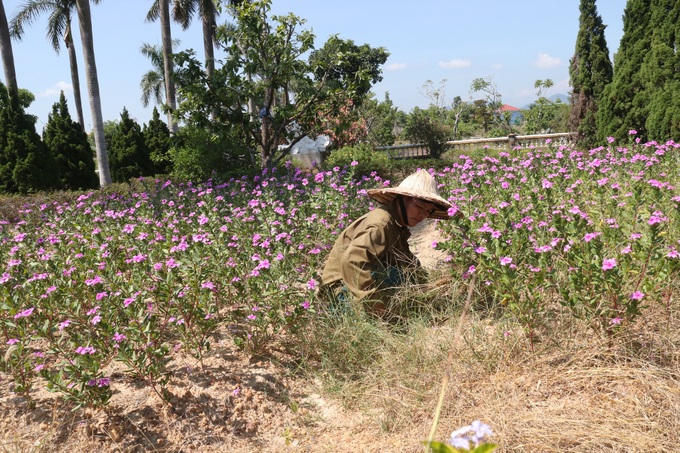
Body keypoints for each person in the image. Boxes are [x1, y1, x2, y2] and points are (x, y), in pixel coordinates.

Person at [320, 169, 455, 317]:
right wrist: (374, 304)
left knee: (404, 276)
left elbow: (407, 263)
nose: (422, 214)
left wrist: (425, 288)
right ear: (402, 199)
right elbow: (352, 261)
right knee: (395, 276)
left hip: (352, 287)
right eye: (419, 207)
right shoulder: (381, 224)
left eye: (428, 211)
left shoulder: (396, 225)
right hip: (341, 293)